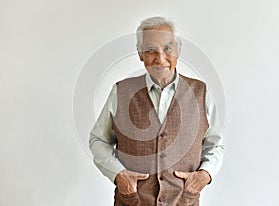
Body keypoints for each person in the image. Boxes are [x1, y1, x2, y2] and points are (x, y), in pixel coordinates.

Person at [89, 16, 224, 206]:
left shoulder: (201, 92)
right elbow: (98, 140)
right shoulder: (120, 92)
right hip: (132, 201)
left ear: (178, 50)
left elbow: (215, 144)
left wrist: (205, 174)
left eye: (168, 48)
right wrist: (118, 175)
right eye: (150, 50)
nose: (160, 59)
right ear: (140, 54)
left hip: (184, 201)